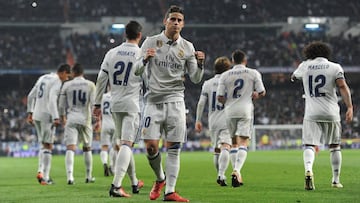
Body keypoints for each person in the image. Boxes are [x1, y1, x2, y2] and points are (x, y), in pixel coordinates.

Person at [134, 5, 205, 202]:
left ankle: (170, 191)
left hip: (175, 101)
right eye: (172, 19)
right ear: (165, 21)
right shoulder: (151, 41)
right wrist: (145, 60)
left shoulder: (188, 47)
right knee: (150, 146)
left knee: (174, 147)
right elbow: (136, 71)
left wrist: (200, 64)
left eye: (179, 20)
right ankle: (160, 179)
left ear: (183, 24)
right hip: (153, 101)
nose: (175, 22)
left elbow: (196, 78)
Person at [290, 41, 353, 190]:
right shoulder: (335, 67)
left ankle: (309, 170)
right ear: (326, 53)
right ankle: (336, 180)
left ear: (309, 53)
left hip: (311, 112)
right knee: (335, 146)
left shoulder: (305, 65)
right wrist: (349, 106)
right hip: (331, 112)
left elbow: (293, 78)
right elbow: (342, 86)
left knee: (309, 144)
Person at [93, 20, 144, 198]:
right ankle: (116, 185)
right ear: (139, 35)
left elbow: (101, 79)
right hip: (132, 103)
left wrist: (97, 104)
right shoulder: (141, 53)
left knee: (124, 144)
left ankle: (134, 181)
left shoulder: (111, 52)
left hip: (115, 104)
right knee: (127, 144)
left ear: (125, 35)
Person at [217, 49, 266, 187]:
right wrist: (256, 95)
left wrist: (228, 103)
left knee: (234, 142)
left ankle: (236, 173)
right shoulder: (253, 73)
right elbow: (262, 92)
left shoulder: (225, 75)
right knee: (244, 142)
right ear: (245, 61)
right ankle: (237, 170)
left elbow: (220, 97)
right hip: (245, 109)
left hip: (230, 110)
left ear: (232, 61)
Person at [26, 64, 71, 185]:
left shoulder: (43, 77)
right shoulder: (57, 81)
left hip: (36, 115)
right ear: (62, 72)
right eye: (67, 75)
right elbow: (52, 99)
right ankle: (45, 178)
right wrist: (56, 117)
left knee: (43, 145)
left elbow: (31, 95)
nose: (67, 79)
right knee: (49, 146)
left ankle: (40, 171)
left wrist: (30, 113)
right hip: (47, 116)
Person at [195, 56, 235, 186]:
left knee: (217, 149)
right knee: (226, 146)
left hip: (213, 121)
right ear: (228, 69)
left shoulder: (207, 83)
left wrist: (198, 120)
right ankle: (221, 174)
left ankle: (220, 175)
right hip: (226, 119)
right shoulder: (230, 82)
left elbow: (201, 103)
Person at [59, 63, 96, 185]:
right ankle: (88, 176)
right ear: (82, 73)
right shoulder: (90, 85)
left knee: (70, 147)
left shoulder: (67, 85)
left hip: (72, 118)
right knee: (87, 148)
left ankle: (70, 177)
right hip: (85, 119)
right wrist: (95, 118)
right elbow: (93, 104)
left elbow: (61, 104)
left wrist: (62, 117)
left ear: (73, 73)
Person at [97, 90, 116, 176]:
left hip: (105, 124)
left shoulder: (103, 97)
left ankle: (105, 162)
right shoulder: (118, 95)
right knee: (115, 147)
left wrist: (98, 122)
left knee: (104, 147)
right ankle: (112, 165)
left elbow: (99, 111)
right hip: (115, 124)